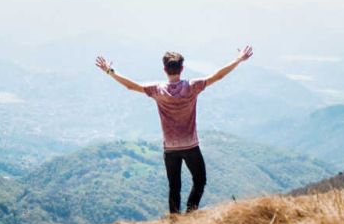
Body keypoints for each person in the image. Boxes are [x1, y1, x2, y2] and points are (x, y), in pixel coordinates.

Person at [95, 46, 253, 215]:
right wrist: (238, 59)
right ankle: (191, 212)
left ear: (164, 69)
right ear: (182, 68)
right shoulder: (192, 87)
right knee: (200, 180)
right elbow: (218, 76)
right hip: (191, 146)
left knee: (174, 186)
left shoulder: (157, 90)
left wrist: (110, 71)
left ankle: (175, 221)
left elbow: (131, 86)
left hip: (170, 148)